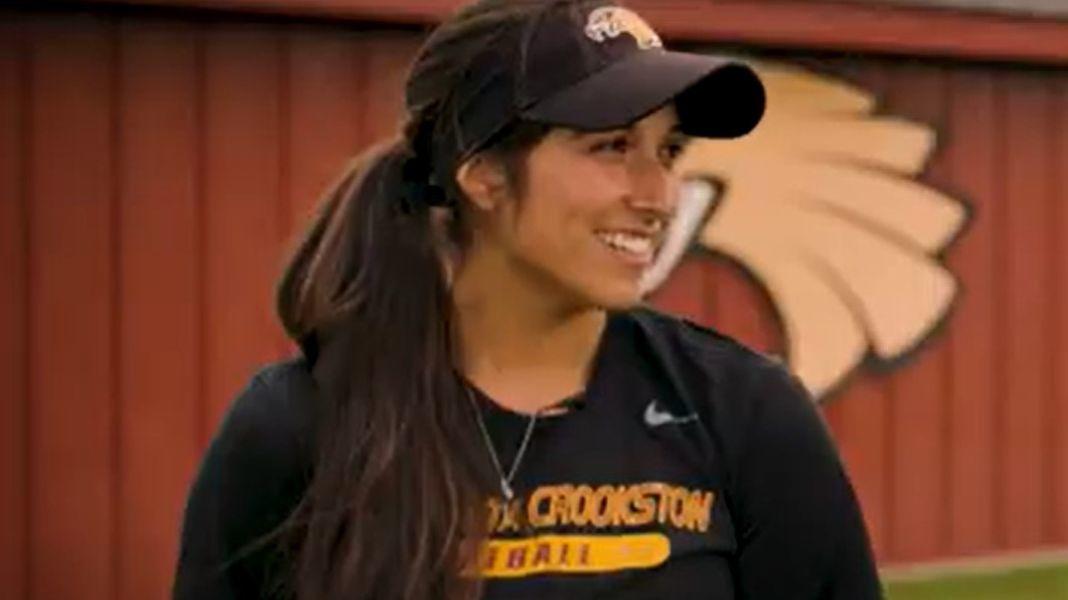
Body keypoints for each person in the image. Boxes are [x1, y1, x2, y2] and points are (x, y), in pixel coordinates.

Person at [172, 0, 881, 597]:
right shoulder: (297, 430)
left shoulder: (745, 415)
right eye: (611, 147)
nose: (658, 196)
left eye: (668, 153)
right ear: (483, 177)